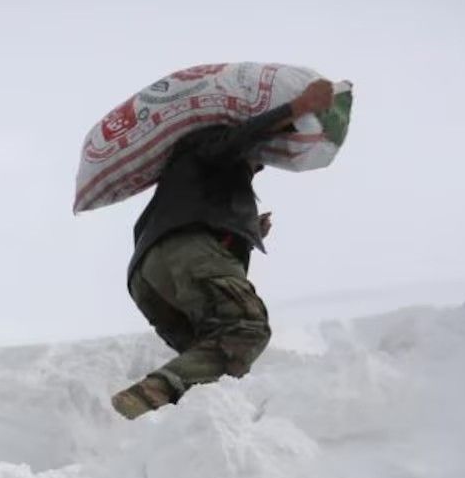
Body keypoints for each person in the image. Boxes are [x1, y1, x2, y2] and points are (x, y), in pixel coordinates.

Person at [111, 78, 339, 419]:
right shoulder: (205, 146)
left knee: (219, 363)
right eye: (259, 160)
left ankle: (168, 432)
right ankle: (151, 393)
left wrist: (245, 232)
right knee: (244, 331)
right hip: (185, 253)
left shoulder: (195, 185)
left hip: (147, 278)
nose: (260, 165)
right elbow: (238, 139)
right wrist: (299, 107)